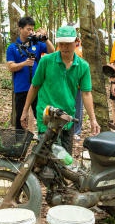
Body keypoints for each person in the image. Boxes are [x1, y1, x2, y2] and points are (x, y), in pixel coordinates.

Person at [21, 25, 100, 154]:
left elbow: (86, 94)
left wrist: (93, 119)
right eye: (61, 44)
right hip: (47, 116)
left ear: (76, 42)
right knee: (46, 158)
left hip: (67, 118)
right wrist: (25, 111)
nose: (64, 47)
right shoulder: (46, 61)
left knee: (65, 160)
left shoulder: (83, 66)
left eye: (68, 43)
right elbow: (34, 86)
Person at [6, 16, 55, 130]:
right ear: (20, 29)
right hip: (21, 88)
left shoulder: (36, 44)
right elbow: (10, 66)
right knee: (20, 117)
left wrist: (45, 38)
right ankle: (20, 142)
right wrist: (24, 63)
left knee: (42, 115)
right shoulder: (12, 47)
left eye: (32, 29)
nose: (31, 32)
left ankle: (43, 141)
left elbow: (52, 51)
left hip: (37, 87)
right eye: (28, 29)